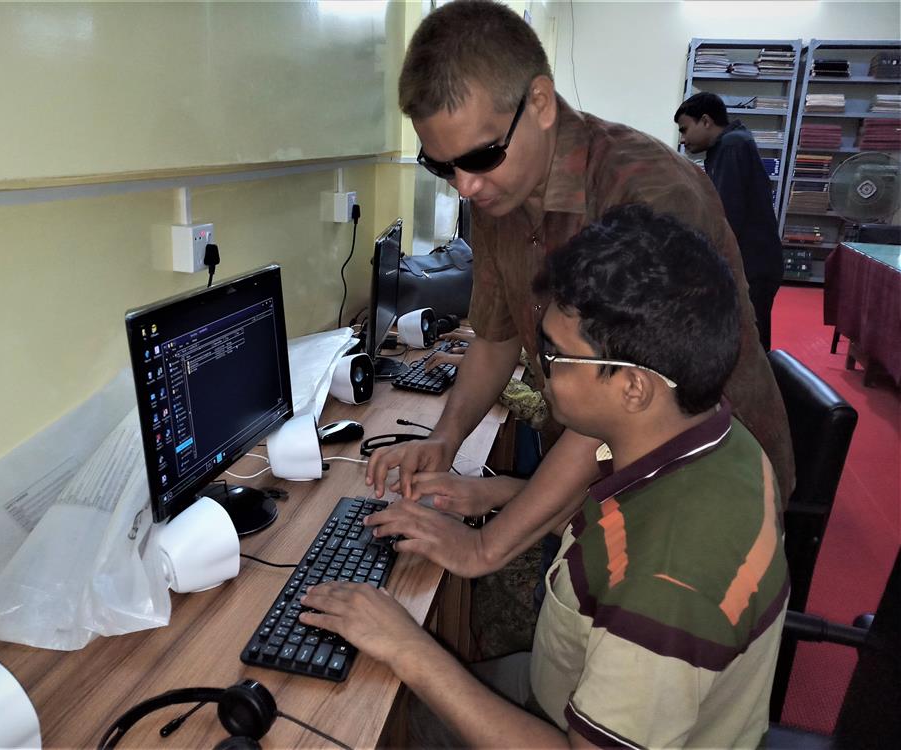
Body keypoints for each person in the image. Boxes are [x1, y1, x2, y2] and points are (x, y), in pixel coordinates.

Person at [302, 205, 789, 748]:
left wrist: (408, 647)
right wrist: (493, 493)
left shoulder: (668, 586)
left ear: (633, 389)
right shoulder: (708, 436)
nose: (542, 368)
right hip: (575, 688)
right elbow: (621, 526)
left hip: (571, 726)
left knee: (368, 717)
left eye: (556, 355)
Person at [362, 0, 793, 584]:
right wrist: (444, 440)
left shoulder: (646, 192)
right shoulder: (500, 194)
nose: (466, 185)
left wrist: (485, 549)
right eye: (442, 167)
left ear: (539, 103)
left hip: (695, 497)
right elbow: (494, 337)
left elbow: (617, 401)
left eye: (480, 156)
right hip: (606, 472)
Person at [675, 92, 785, 351]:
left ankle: (759, 391)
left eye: (685, 129)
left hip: (753, 264)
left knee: (750, 340)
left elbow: (726, 215)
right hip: (754, 261)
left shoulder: (732, 146)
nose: (682, 139)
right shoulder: (727, 145)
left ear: (705, 121)